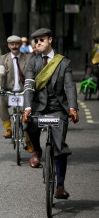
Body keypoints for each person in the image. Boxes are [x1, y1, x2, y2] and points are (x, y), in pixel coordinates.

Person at [23, 28, 79, 199]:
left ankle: (60, 186)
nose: (38, 43)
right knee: (27, 124)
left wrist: (72, 108)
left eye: (41, 40)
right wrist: (27, 107)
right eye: (36, 41)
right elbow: (29, 86)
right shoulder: (33, 62)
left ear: (50, 40)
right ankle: (37, 151)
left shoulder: (63, 62)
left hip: (58, 110)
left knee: (59, 147)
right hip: (38, 108)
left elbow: (69, 87)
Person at [0, 36, 32, 150]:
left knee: (27, 114)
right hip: (9, 92)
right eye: (12, 44)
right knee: (0, 103)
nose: (14, 46)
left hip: (24, 92)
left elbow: (32, 74)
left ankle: (29, 140)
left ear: (20, 45)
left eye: (16, 44)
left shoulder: (29, 58)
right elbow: (0, 74)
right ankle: (8, 128)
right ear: (8, 46)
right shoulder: (4, 58)